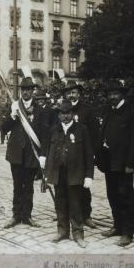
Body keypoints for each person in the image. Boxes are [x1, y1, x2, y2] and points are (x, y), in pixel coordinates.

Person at [96, 80, 134, 247]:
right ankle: (117, 226)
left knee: (126, 197)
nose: (112, 97)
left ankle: (127, 233)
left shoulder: (132, 112)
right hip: (109, 163)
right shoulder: (108, 110)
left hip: (124, 164)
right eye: (109, 94)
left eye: (115, 93)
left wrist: (131, 162)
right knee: (113, 196)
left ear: (122, 94)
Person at [42, 101, 94, 248]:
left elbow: (89, 154)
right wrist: (47, 174)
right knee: (60, 203)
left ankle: (78, 234)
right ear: (58, 115)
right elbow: (48, 154)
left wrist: (89, 175)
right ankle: (62, 231)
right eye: (62, 114)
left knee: (75, 204)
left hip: (75, 174)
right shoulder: (53, 130)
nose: (65, 116)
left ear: (73, 114)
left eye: (68, 113)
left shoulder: (82, 130)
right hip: (58, 174)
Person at [2, 77, 44, 228]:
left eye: (28, 89)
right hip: (16, 154)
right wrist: (12, 116)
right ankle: (16, 215)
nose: (26, 92)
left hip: (32, 155)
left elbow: (42, 132)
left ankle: (27, 215)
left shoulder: (39, 109)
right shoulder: (14, 106)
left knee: (29, 187)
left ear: (33, 91)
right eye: (23, 89)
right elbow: (3, 128)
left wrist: (43, 155)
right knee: (17, 185)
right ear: (20, 91)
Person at [63, 81, 100, 229]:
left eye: (74, 92)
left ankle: (86, 215)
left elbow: (94, 134)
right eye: (69, 93)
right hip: (65, 155)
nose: (71, 95)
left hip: (82, 155)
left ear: (79, 94)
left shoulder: (87, 110)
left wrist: (93, 154)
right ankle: (66, 214)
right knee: (65, 184)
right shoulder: (61, 110)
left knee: (84, 187)